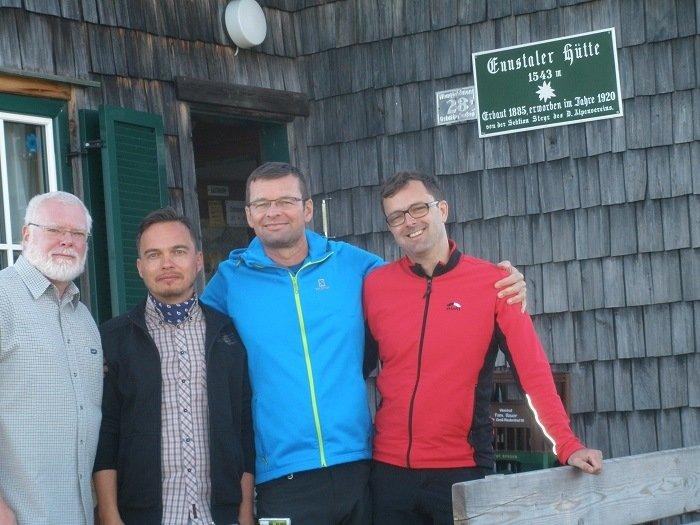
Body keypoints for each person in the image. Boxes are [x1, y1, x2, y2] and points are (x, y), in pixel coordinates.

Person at [200, 162, 526, 524]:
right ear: (248, 215)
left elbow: (420, 282)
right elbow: (187, 326)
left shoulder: (352, 264)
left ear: (307, 209)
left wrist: (501, 281)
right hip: (280, 473)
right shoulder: (230, 280)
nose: (273, 212)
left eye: (286, 201)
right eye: (262, 204)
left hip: (357, 464)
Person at [363, 171, 604, 525]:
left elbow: (533, 373)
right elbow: (351, 367)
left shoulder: (495, 284)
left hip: (461, 469)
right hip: (388, 472)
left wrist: (566, 443)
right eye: (396, 216)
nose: (409, 222)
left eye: (418, 208)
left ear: (442, 210)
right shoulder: (375, 286)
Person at [93, 208, 254, 525]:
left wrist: (245, 511)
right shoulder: (113, 339)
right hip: (144, 516)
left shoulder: (228, 335)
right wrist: (110, 515)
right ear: (140, 267)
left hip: (218, 515)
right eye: (154, 255)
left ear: (198, 260)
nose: (166, 264)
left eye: (178, 252)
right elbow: (106, 433)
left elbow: (243, 427)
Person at [0, 191, 101, 525]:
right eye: (55, 230)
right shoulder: (3, 299)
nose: (67, 241)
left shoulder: (84, 319)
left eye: (77, 233)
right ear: (26, 234)